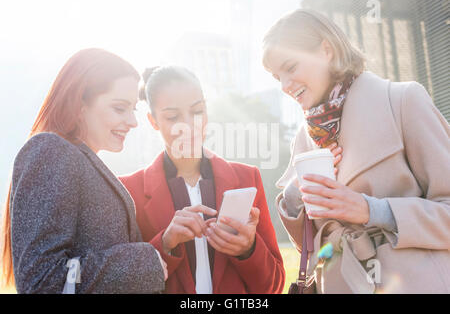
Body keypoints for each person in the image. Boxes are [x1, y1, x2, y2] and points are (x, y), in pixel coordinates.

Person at [262, 8, 450, 293]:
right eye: (278, 77)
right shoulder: (306, 136)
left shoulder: (403, 101)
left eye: (291, 67)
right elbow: (311, 248)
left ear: (326, 50)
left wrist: (372, 210)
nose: (285, 86)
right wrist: (294, 194)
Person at [0, 48, 168, 293]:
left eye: (133, 109)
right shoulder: (51, 151)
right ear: (80, 104)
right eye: (120, 108)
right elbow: (42, 279)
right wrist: (142, 262)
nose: (132, 121)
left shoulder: (80, 161)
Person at [119, 66, 286, 294]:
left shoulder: (248, 178)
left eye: (197, 111)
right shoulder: (128, 191)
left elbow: (273, 287)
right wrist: (165, 243)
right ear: (153, 121)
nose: (188, 125)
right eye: (173, 117)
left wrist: (249, 249)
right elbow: (123, 285)